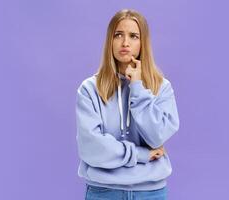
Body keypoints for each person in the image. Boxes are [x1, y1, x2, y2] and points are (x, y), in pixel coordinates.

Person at [75, 9, 180, 200]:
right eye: (118, 35)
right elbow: (91, 148)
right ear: (110, 41)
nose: (125, 43)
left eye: (133, 36)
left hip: (151, 193)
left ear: (143, 43)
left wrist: (137, 87)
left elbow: (157, 137)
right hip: (104, 192)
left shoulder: (162, 88)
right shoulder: (89, 89)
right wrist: (141, 155)